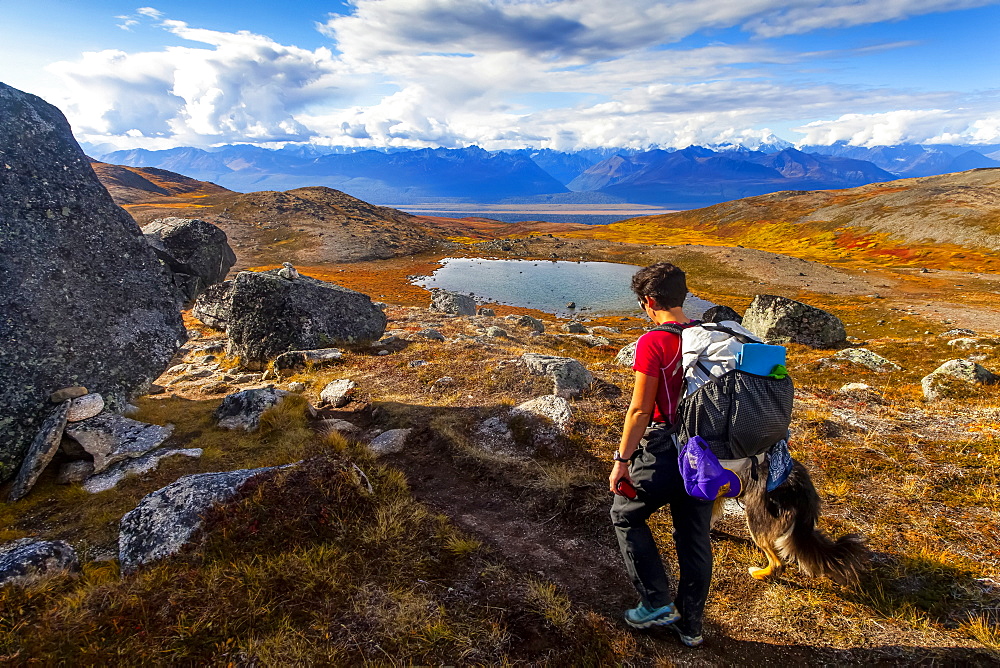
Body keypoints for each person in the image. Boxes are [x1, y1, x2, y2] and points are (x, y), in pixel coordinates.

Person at [609, 262, 713, 647]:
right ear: (682, 296)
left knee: (625, 514)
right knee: (694, 536)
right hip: (706, 455)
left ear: (649, 302)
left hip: (664, 452)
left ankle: (655, 601)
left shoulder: (654, 341)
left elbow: (639, 410)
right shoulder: (709, 337)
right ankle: (691, 626)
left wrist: (622, 462)